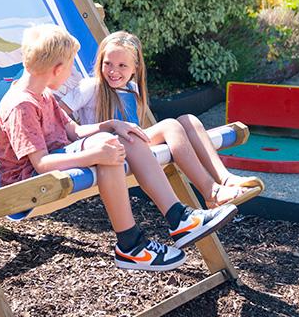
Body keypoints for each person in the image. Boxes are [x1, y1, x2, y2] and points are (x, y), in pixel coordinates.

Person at [0, 24, 237, 272]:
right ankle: (130, 244)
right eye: (68, 68)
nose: (70, 74)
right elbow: (41, 164)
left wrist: (113, 124)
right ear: (57, 69)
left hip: (58, 158)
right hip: (30, 181)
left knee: (125, 136)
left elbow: (74, 131)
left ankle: (179, 218)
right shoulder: (21, 105)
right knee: (107, 147)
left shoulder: (42, 95)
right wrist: (96, 153)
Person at [60, 31, 261, 209]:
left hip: (133, 145)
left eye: (122, 65)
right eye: (108, 64)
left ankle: (225, 179)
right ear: (100, 61)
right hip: (110, 148)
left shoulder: (131, 88)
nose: (113, 71)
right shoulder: (90, 87)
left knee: (189, 120)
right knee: (170, 126)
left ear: (135, 68)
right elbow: (59, 114)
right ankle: (212, 193)